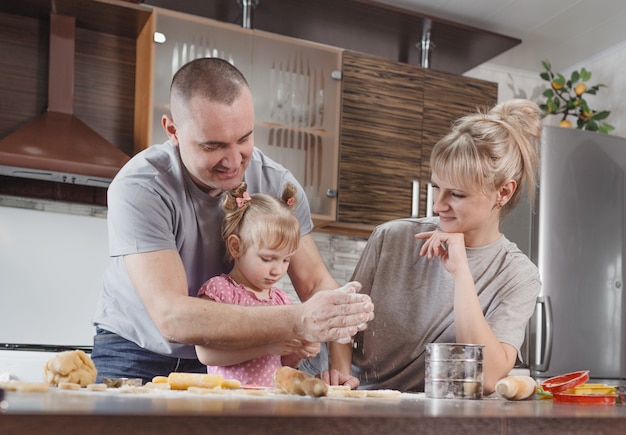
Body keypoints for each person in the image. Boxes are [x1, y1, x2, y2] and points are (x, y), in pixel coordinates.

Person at [91, 57, 373, 384]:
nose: (233, 160)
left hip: (236, 356)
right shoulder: (141, 187)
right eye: (214, 146)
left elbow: (315, 285)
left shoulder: (277, 183)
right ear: (173, 131)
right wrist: (300, 319)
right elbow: (173, 317)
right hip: (136, 352)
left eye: (244, 139)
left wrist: (338, 370)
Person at [310, 99, 542, 394]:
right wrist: (340, 380)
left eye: (456, 194)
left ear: (504, 192)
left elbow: (488, 377)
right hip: (357, 396)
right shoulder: (391, 238)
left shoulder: (518, 275)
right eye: (436, 187)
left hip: (426, 412)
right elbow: (345, 320)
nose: (438, 205)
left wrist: (461, 272)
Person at [195, 182, 320, 387]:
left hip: (270, 405)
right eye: (267, 259)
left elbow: (281, 363)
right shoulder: (220, 292)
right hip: (228, 404)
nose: (277, 270)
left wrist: (297, 352)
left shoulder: (282, 301)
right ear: (236, 247)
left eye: (285, 260)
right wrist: (267, 347)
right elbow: (207, 355)